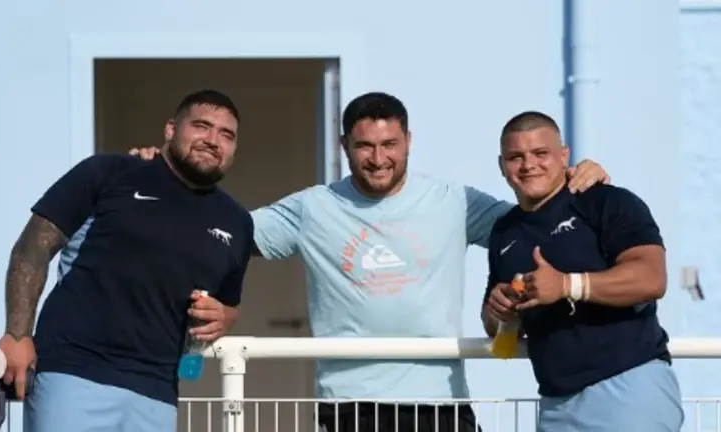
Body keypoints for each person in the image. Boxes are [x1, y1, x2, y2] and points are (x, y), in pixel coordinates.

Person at [130, 92, 610, 432]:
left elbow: (536, 223)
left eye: (389, 145)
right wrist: (166, 178)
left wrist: (574, 183)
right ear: (344, 146)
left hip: (440, 402)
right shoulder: (314, 207)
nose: (378, 158)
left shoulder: (455, 201)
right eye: (364, 146)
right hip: (349, 406)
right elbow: (223, 235)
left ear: (408, 141)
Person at [0, 89, 255, 432]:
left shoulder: (237, 222)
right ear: (170, 129)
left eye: (226, 134)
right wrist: (17, 334)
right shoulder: (108, 172)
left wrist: (226, 317)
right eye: (201, 126)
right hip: (73, 373)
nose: (212, 140)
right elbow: (32, 248)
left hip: (157, 393)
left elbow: (228, 306)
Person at [482, 111, 683, 431]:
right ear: (501, 165)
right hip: (556, 403)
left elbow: (651, 278)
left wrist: (567, 285)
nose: (528, 164)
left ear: (564, 156)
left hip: (629, 386)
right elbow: (499, 329)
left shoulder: (606, 201)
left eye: (540, 153)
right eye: (515, 157)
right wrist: (500, 311)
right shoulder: (504, 231)